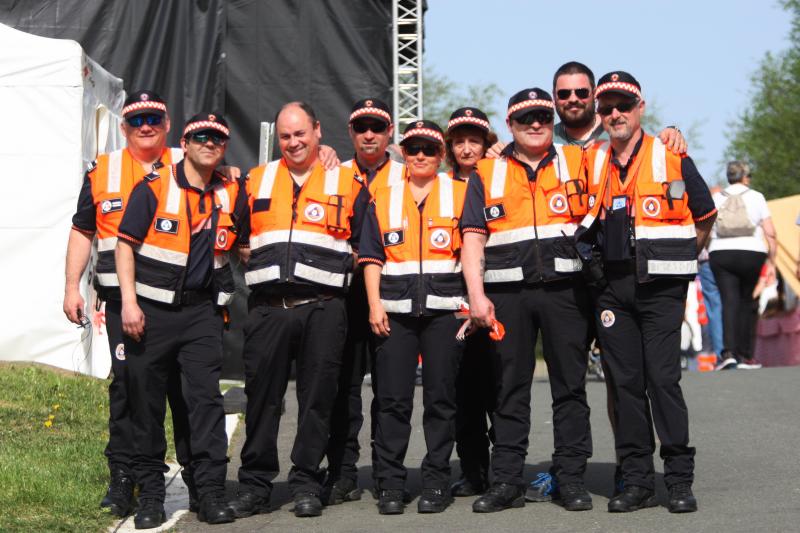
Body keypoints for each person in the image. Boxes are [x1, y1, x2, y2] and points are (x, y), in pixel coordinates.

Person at [577, 71, 717, 514]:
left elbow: (705, 214)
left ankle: (677, 480)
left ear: (641, 108)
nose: (614, 113)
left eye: (623, 105)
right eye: (607, 107)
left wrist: (680, 260)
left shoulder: (671, 153)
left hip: (660, 289)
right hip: (612, 289)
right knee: (625, 385)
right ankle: (635, 481)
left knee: (663, 380)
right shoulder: (591, 158)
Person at [229, 102, 368, 519]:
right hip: (269, 310)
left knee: (317, 401)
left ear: (318, 132)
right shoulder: (256, 180)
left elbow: (364, 246)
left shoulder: (347, 182)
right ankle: (255, 484)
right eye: (286, 136)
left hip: (323, 308)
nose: (293, 143)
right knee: (262, 400)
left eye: (301, 134)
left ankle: (307, 482)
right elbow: (236, 236)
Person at [461, 88, 595, 513]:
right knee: (508, 390)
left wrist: (671, 133)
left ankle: (571, 478)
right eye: (524, 119)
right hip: (507, 296)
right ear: (509, 126)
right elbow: (472, 238)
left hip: (566, 292)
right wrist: (476, 297)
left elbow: (626, 146)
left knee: (570, 388)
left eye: (541, 115)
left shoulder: (580, 160)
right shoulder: (487, 170)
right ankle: (506, 481)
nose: (534, 124)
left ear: (552, 118)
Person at [63, 90, 196, 517]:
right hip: (124, 304)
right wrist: (71, 287)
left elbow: (234, 182)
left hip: (179, 304)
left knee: (186, 392)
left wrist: (325, 153)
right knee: (127, 391)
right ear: (123, 127)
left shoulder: (189, 161)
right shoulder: (102, 171)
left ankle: (200, 476)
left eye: (153, 117)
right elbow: (83, 230)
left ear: (168, 122)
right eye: (136, 119)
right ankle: (124, 478)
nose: (145, 126)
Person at [115, 112, 242, 528]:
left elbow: (244, 240)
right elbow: (124, 247)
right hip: (150, 314)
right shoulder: (154, 187)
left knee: (204, 404)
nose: (210, 142)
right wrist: (129, 303)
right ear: (184, 144)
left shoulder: (231, 191)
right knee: (146, 406)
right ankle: (150, 494)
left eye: (218, 138)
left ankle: (208, 492)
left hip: (202, 312)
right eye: (201, 136)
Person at [358, 119, 466, 514]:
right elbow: (371, 257)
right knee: (392, 401)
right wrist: (374, 304)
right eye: (414, 148)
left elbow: (471, 255)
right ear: (403, 152)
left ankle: (437, 482)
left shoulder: (460, 193)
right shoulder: (381, 197)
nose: (421, 155)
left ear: (442, 155)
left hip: (445, 315)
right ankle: (390, 485)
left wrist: (470, 304)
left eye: (430, 149)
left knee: (441, 400)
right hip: (395, 315)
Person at [323, 98, 402, 505]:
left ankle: (389, 473)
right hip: (344, 292)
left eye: (377, 126)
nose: (368, 134)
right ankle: (343, 471)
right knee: (344, 387)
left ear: (390, 132)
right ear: (350, 132)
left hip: (396, 292)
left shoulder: (408, 174)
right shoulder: (333, 174)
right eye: (360, 127)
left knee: (390, 389)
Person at [442, 107, 497, 497]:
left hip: (498, 296)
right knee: (462, 390)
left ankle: (507, 469)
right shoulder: (439, 184)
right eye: (459, 141)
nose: (466, 148)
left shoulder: (499, 176)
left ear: (487, 144)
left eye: (474, 140)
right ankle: (473, 469)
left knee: (501, 388)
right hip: (452, 302)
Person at [709, 161, 777, 370]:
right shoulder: (756, 197)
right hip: (752, 251)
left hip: (721, 252)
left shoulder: (717, 197)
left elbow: (707, 225)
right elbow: (770, 232)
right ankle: (746, 356)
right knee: (748, 301)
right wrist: (772, 261)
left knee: (728, 301)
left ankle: (728, 353)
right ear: (745, 177)